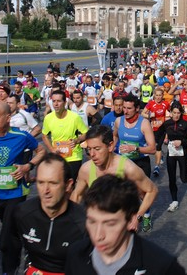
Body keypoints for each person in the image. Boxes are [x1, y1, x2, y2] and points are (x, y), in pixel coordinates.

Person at [0, 101, 46, 274]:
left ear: (8, 118)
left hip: (16, 192)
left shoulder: (21, 136)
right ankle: (27, 248)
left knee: (5, 239)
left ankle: (9, 269)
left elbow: (41, 151)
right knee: (11, 230)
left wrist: (28, 166)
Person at [65, 175, 186, 275]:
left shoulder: (160, 266)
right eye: (92, 221)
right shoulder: (76, 255)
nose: (98, 235)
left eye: (110, 224)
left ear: (131, 220)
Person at [10, 153, 87, 275]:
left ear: (68, 185)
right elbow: (10, 249)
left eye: (53, 183)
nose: (46, 190)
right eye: (41, 183)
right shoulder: (22, 212)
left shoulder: (84, 222)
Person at [71, 125, 158, 231]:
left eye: (97, 149)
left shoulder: (128, 168)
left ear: (110, 146)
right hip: (97, 228)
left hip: (122, 229)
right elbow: (76, 195)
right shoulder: (86, 169)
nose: (92, 154)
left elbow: (152, 190)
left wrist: (137, 216)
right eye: (89, 149)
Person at [112, 95, 156, 232]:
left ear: (137, 109)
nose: (125, 111)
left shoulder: (144, 123)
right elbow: (115, 135)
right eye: (124, 108)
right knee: (123, 193)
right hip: (123, 162)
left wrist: (135, 148)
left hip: (140, 162)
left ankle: (146, 214)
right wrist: (113, 147)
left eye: (129, 108)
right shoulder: (119, 121)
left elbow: (153, 148)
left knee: (142, 194)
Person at [42, 90, 88, 181]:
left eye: (59, 101)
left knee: (70, 184)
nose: (56, 104)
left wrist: (77, 141)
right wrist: (51, 149)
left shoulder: (75, 117)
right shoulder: (48, 118)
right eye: (54, 101)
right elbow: (44, 135)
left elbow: (86, 133)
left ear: (65, 103)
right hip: (58, 156)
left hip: (73, 156)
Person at [161, 102, 187, 212]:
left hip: (182, 153)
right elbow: (160, 135)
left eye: (178, 113)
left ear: (181, 113)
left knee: (182, 177)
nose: (176, 115)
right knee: (171, 178)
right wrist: (163, 141)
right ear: (170, 113)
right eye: (174, 113)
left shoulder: (186, 125)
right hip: (171, 153)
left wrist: (181, 142)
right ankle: (174, 201)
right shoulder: (167, 124)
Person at [141, 86, 170, 177]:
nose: (158, 97)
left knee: (158, 147)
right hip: (152, 129)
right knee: (153, 147)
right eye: (156, 95)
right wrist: (149, 115)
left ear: (162, 96)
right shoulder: (150, 103)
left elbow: (171, 113)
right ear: (154, 96)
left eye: (160, 95)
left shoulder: (166, 104)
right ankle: (160, 156)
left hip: (162, 129)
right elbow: (142, 113)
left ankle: (156, 167)